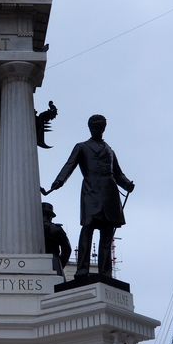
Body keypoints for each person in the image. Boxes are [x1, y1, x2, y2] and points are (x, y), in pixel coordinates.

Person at [49, 114, 134, 278]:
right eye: (95, 127)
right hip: (91, 192)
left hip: (110, 194)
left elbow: (118, 174)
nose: (98, 130)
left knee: (107, 235)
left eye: (100, 127)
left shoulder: (110, 150)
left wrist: (127, 184)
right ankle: (82, 269)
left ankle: (105, 272)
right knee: (87, 229)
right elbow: (69, 166)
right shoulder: (81, 147)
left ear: (104, 129)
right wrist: (58, 182)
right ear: (90, 128)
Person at [42, 202, 71, 276]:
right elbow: (67, 249)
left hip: (33, 263)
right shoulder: (56, 229)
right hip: (54, 262)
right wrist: (59, 264)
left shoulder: (31, 228)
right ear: (50, 216)